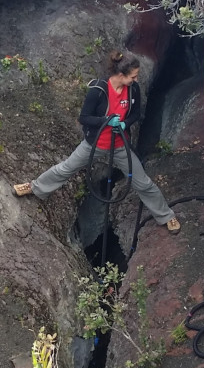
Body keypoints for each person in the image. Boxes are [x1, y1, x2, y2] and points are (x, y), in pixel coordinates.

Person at [13, 49, 181, 232]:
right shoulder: (98, 91)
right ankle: (34, 187)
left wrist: (124, 124)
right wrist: (105, 120)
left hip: (119, 146)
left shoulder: (133, 89)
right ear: (120, 74)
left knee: (143, 183)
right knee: (66, 168)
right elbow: (84, 117)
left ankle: (166, 216)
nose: (136, 80)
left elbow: (135, 114)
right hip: (94, 144)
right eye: (133, 76)